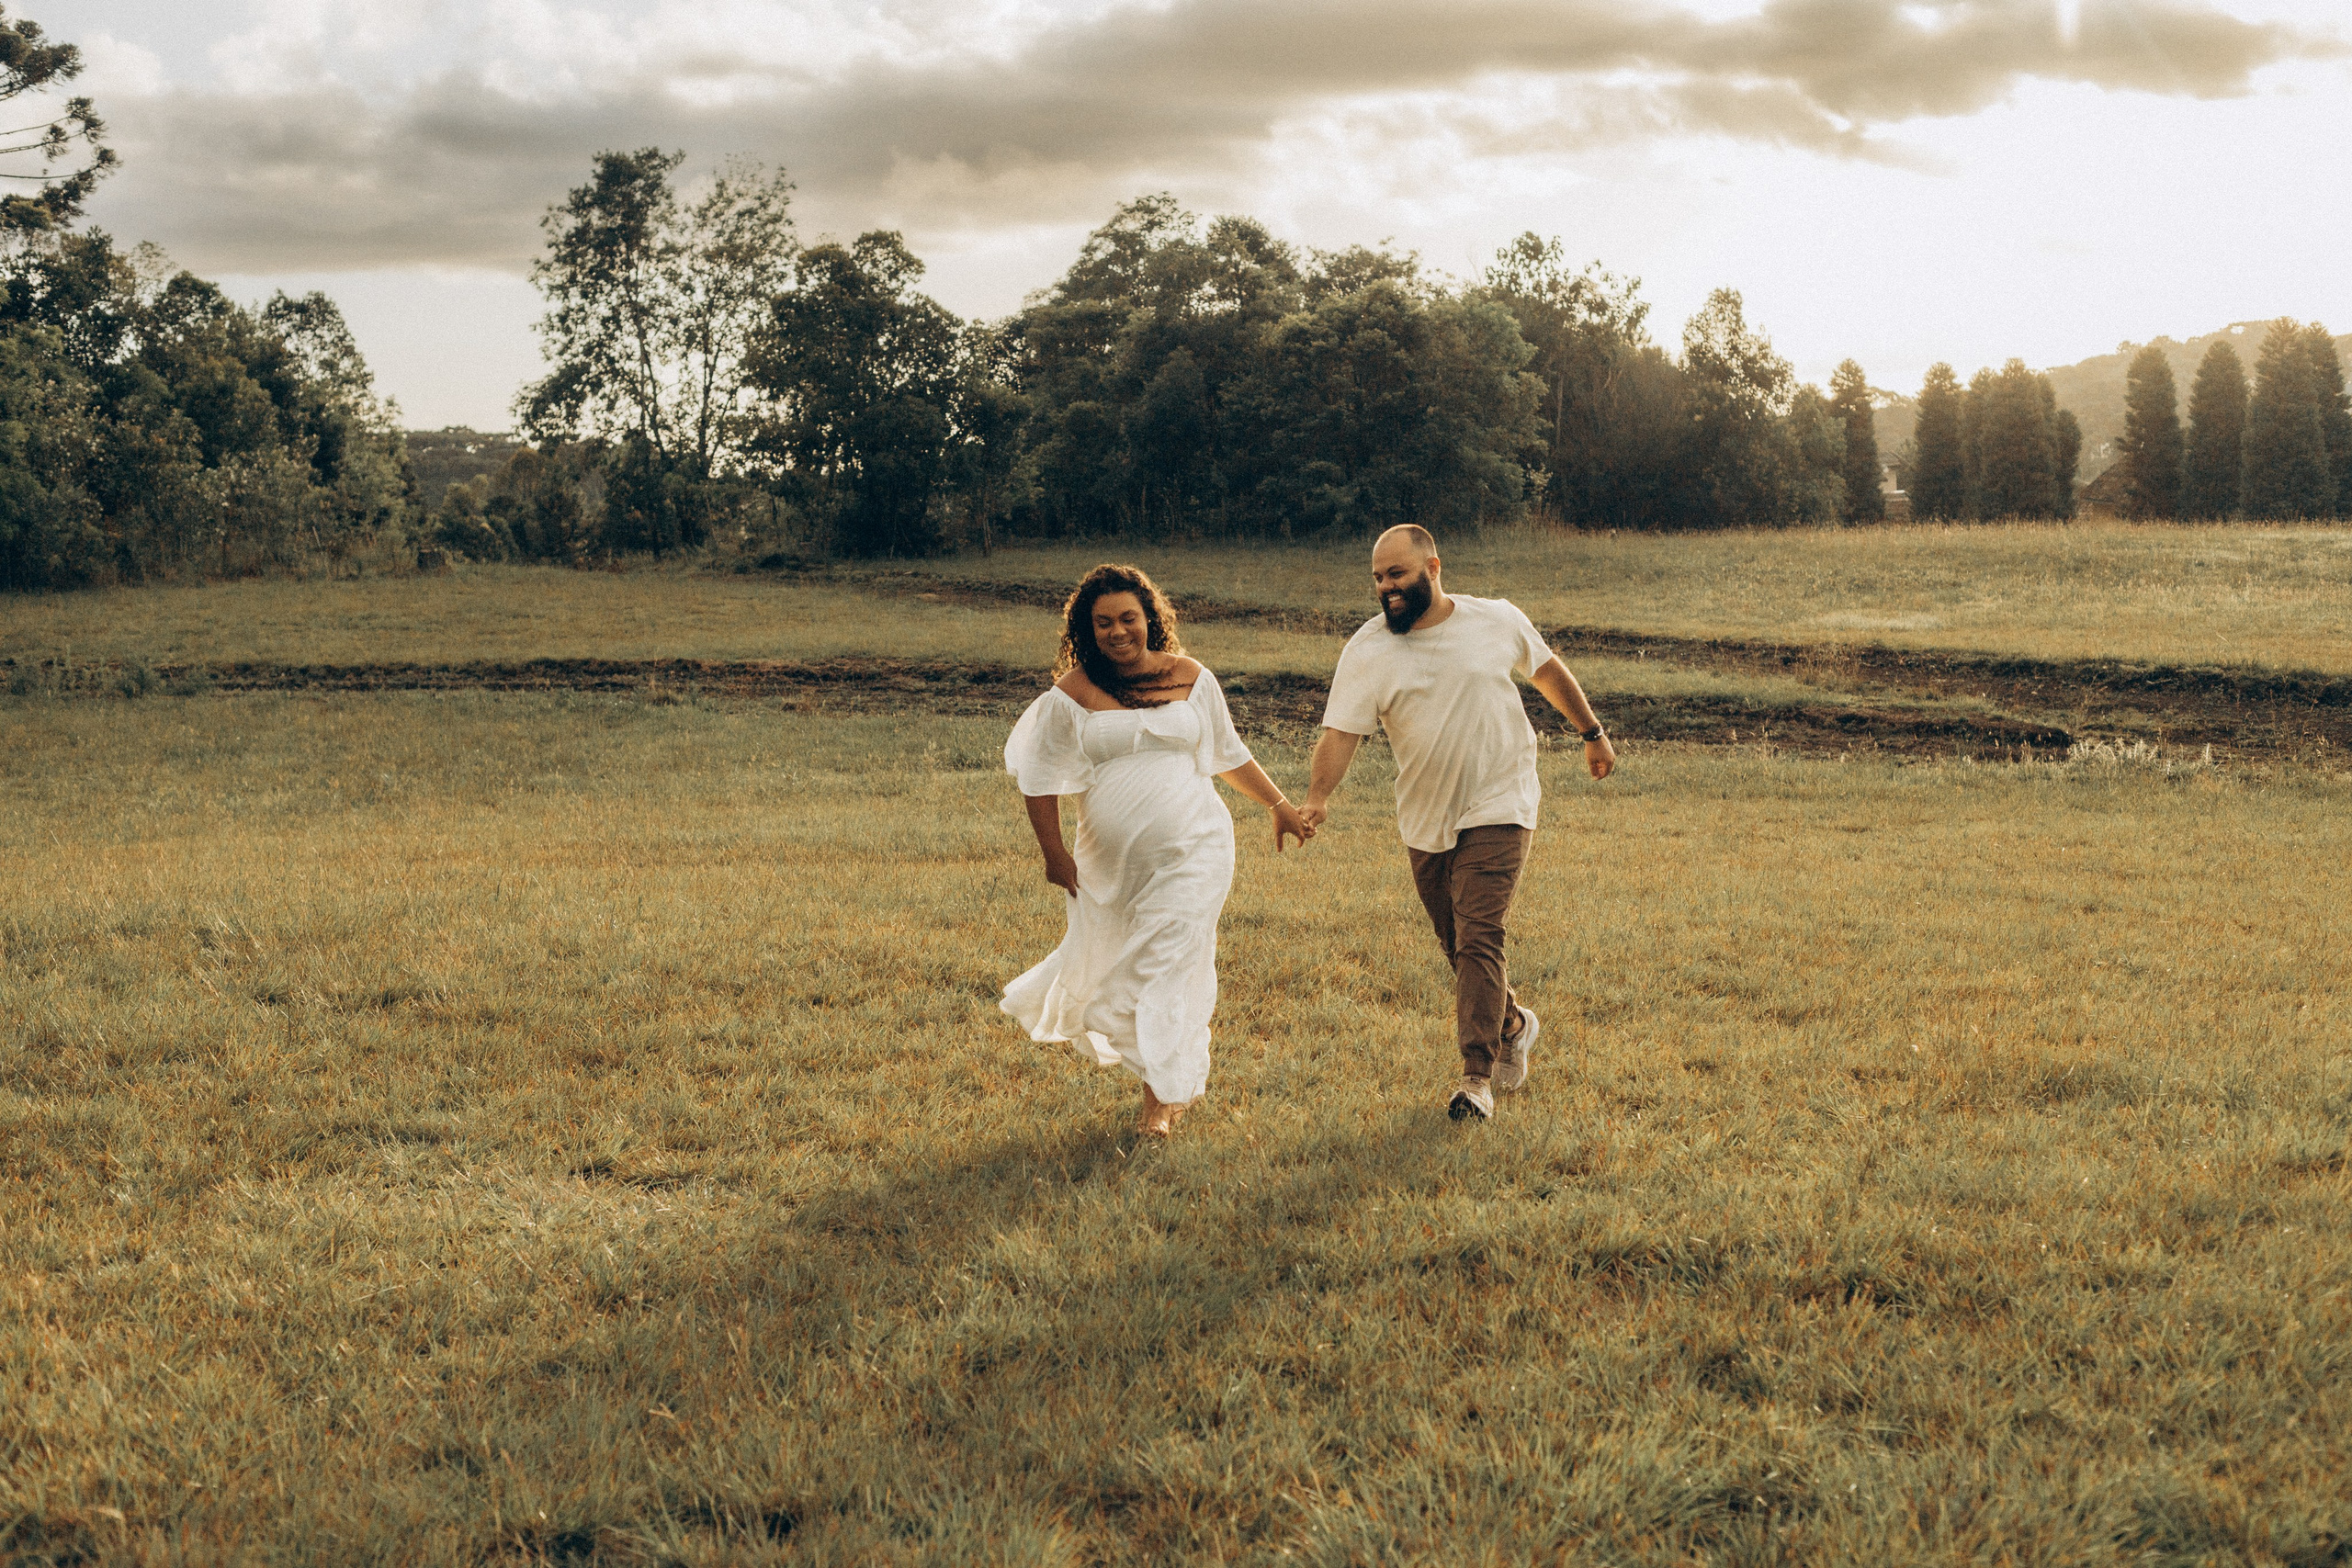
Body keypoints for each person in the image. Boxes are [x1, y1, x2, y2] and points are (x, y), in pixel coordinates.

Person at [1299, 525, 1616, 1122]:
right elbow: (1341, 733)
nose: (1386, 588)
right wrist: (1317, 797)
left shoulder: (1494, 620)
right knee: (1457, 941)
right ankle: (1514, 1023)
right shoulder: (1367, 649)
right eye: (1377, 578)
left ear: (1432, 567)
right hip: (1426, 815)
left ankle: (1478, 1077)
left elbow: (1548, 672)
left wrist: (1592, 733)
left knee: (1479, 934)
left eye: (1396, 574)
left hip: (1502, 798)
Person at [1002, 564, 1313, 1138]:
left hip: (1197, 847)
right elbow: (1038, 776)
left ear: (1150, 618)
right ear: (1084, 629)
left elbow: (1228, 752)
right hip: (1109, 863)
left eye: (1128, 618)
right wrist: (1053, 853)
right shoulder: (1071, 694)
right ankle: (1168, 1081)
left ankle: (1159, 1101)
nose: (1118, 632)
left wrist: (1278, 804)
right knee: (1130, 967)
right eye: (1102, 623)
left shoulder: (1192, 678)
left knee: (1167, 963)